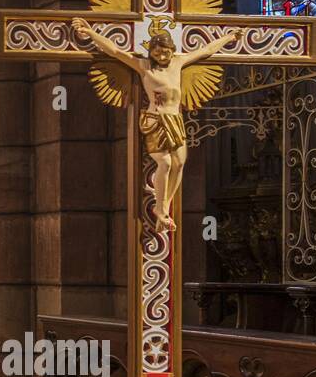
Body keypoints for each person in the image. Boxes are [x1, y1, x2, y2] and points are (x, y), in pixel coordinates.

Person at [72, 17, 244, 229]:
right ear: (151, 51)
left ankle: (164, 207)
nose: (162, 56)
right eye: (157, 52)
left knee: (180, 163)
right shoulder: (143, 66)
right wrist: (90, 32)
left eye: (166, 51)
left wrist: (228, 37)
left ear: (172, 50)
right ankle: (160, 209)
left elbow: (205, 51)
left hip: (175, 120)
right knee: (166, 163)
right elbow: (115, 51)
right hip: (155, 120)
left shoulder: (179, 61)